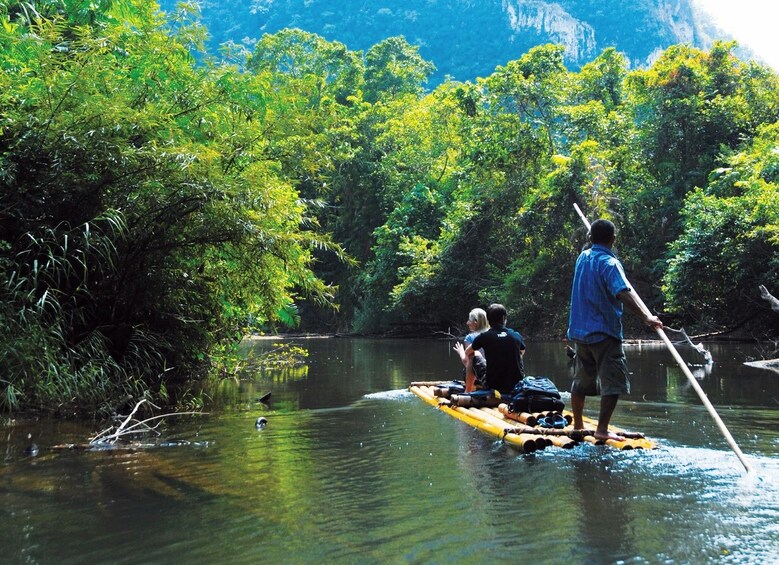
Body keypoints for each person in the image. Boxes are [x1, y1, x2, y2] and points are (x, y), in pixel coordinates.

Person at [567, 218, 662, 442]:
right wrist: (647, 317)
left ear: (590, 238)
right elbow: (623, 292)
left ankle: (579, 425)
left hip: (580, 333)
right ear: (613, 239)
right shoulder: (610, 264)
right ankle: (601, 429)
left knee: (581, 380)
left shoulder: (582, 258)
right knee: (613, 382)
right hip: (604, 333)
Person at [454, 303, 526, 395]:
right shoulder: (516, 335)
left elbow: (467, 353)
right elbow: (522, 352)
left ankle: (468, 391)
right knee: (518, 353)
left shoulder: (484, 337)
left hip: (493, 385)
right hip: (516, 385)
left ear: (488, 320)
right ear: (504, 318)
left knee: (474, 354)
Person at [454, 308, 489, 392]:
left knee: (468, 365)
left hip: (480, 381)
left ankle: (468, 390)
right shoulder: (492, 334)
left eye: (469, 320)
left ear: (475, 322)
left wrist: (461, 352)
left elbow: (467, 363)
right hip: (495, 378)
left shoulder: (470, 338)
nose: (467, 323)